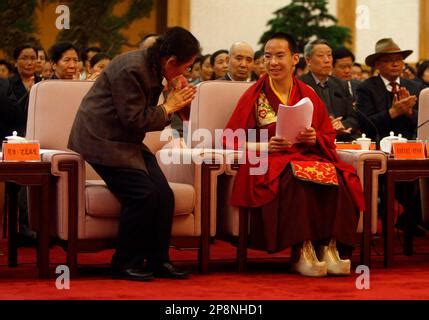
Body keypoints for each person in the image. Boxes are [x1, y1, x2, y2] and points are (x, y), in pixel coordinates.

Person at [223, 32, 364, 277]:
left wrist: (314, 138)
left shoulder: (308, 94)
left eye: (280, 56)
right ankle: (302, 250)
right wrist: (266, 146)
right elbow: (230, 139)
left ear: (295, 58)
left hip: (306, 155)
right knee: (296, 178)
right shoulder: (255, 95)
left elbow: (327, 135)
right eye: (267, 57)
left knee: (339, 177)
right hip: (271, 160)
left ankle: (329, 247)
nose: (273, 62)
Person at [68, 26, 200, 281]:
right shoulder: (131, 69)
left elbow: (150, 119)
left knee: (164, 194)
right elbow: (135, 120)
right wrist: (168, 105)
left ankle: (159, 260)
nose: (187, 73)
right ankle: (124, 262)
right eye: (186, 67)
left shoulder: (155, 66)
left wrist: (171, 97)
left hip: (127, 142)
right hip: (101, 139)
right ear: (171, 61)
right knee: (142, 194)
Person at [356, 37, 425, 236]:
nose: (396, 64)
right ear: (377, 64)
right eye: (388, 60)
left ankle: (411, 220)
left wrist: (409, 112)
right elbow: (365, 125)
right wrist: (393, 112)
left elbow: (423, 123)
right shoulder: (366, 88)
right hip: (380, 148)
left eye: (399, 59)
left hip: (411, 147)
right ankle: (395, 222)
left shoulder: (415, 86)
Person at [300, 40, 359, 142]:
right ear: (308, 61)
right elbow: (299, 121)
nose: (327, 60)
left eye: (329, 55)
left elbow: (353, 116)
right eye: (321, 56)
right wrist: (328, 127)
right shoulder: (300, 84)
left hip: (341, 140)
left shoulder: (341, 84)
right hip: (314, 142)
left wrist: (342, 125)